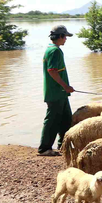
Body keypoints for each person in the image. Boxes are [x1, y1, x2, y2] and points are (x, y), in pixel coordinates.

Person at [39, 25, 76, 156]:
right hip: (56, 93)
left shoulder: (52, 49)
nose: (66, 39)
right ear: (60, 36)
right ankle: (44, 148)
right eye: (65, 36)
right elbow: (52, 71)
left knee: (66, 119)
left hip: (60, 93)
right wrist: (65, 86)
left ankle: (63, 146)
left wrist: (65, 89)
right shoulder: (55, 51)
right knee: (52, 121)